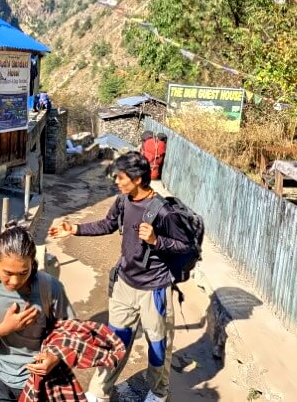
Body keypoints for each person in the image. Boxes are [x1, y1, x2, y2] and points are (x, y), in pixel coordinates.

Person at [48, 152, 193, 402]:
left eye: (121, 177)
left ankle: (158, 393)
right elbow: (107, 225)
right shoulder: (123, 201)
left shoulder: (163, 212)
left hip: (154, 290)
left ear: (137, 179)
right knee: (114, 342)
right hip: (125, 284)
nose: (116, 181)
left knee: (158, 346)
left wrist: (157, 240)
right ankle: (99, 392)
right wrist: (75, 229)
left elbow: (185, 246)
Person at [0, 224, 76, 401]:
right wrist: (5, 328)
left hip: (39, 381)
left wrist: (54, 358)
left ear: (32, 263)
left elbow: (71, 334)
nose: (15, 281)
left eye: (23, 273)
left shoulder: (50, 287)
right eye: (8, 273)